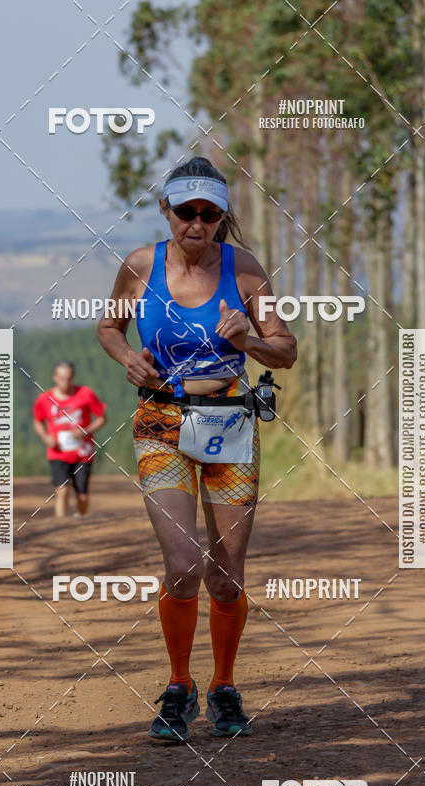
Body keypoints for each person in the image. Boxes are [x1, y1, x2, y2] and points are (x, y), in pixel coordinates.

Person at [97, 156, 296, 741]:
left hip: (230, 422)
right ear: (167, 211)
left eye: (210, 214)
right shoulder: (140, 266)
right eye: (187, 212)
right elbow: (109, 326)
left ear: (221, 217)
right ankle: (180, 686)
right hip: (160, 420)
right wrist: (125, 355)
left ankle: (225, 688)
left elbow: (286, 350)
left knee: (227, 576)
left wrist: (252, 340)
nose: (197, 223)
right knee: (184, 565)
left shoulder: (245, 270)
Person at [33, 361, 107, 517]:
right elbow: (37, 421)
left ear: (73, 377)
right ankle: (61, 528)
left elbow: (102, 418)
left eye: (68, 378)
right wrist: (45, 437)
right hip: (57, 452)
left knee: (82, 496)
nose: (65, 383)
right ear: (54, 377)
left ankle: (79, 522)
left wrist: (85, 431)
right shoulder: (44, 399)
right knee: (62, 490)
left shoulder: (85, 394)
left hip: (83, 453)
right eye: (61, 378)